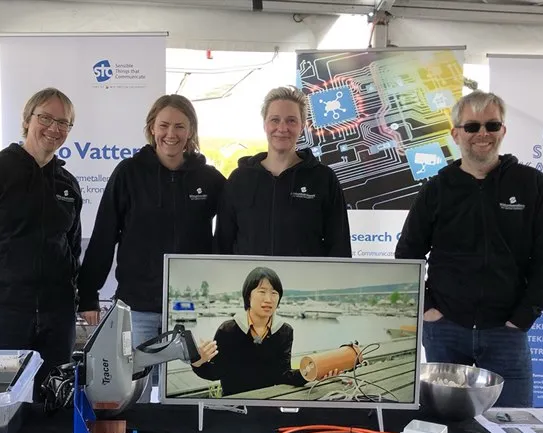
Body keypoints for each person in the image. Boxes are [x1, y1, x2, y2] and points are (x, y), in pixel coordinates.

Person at [394, 90, 543, 408]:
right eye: (472, 126)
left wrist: (523, 317)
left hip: (507, 333)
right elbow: (407, 255)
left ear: (503, 131)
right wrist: (430, 309)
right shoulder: (436, 189)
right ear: (456, 133)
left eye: (491, 125)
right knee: (444, 426)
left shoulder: (531, 185)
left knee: (513, 429)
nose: (482, 134)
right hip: (445, 330)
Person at [0, 87, 82, 399]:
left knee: (52, 403)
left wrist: (75, 299)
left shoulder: (68, 184)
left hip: (57, 315)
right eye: (46, 118)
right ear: (27, 121)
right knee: (0, 400)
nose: (54, 128)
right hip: (4, 313)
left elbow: (72, 247)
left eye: (63, 123)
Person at [77, 94, 226, 349]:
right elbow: (104, 234)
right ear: (152, 128)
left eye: (180, 126)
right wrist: (89, 295)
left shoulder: (209, 179)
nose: (171, 133)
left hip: (190, 309)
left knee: (182, 386)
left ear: (190, 131)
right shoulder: (128, 173)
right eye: (164, 125)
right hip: (138, 308)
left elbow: (234, 228)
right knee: (137, 387)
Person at [215, 86, 352, 257]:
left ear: (302, 126)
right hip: (252, 283)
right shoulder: (239, 179)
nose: (282, 128)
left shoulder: (323, 178)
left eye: (291, 120)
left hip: (304, 282)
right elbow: (222, 245)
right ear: (265, 124)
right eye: (275, 120)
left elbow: (339, 246)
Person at [191, 267, 306, 396]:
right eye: (262, 291)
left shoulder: (284, 331)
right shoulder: (228, 330)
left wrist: (311, 373)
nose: (268, 299)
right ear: (248, 295)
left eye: (274, 293)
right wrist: (198, 361)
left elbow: (282, 374)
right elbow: (216, 372)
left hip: (267, 402)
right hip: (235, 405)